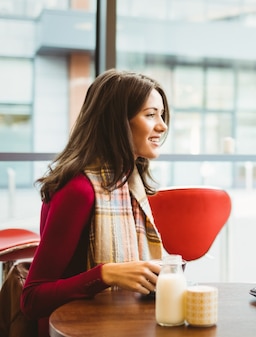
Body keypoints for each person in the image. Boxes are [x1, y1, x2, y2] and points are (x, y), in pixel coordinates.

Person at [20, 69, 170, 337]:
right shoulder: (79, 190)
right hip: (72, 329)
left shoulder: (127, 183)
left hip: (116, 322)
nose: (162, 125)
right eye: (150, 115)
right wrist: (104, 275)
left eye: (161, 115)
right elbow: (32, 300)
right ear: (116, 122)